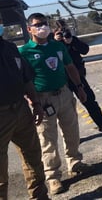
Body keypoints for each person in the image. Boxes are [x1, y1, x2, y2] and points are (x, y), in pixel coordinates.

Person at [19, 13, 92, 196]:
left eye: (44, 24)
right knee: (47, 139)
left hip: (64, 93)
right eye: (37, 25)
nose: (42, 27)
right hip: (43, 99)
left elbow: (70, 67)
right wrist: (30, 98)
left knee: (72, 130)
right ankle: (52, 177)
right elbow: (22, 78)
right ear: (29, 29)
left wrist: (80, 87)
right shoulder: (24, 52)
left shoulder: (57, 46)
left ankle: (74, 162)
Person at [0, 12, 50, 200]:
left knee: (33, 157)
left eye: (0, 20)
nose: (0, 24)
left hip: (21, 109)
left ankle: (39, 196)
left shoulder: (10, 48)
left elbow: (26, 78)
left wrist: (35, 103)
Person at [52, 19, 102, 135]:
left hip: (78, 77)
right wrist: (55, 41)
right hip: (62, 80)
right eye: (60, 32)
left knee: (90, 101)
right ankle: (72, 137)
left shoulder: (72, 40)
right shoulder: (51, 44)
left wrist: (72, 41)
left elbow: (85, 50)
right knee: (66, 109)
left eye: (65, 31)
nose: (63, 34)